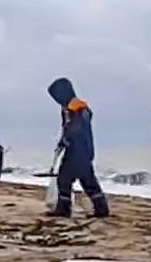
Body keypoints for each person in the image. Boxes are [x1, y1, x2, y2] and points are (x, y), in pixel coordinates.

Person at [46, 77, 109, 218]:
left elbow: (78, 127)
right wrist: (63, 141)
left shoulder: (78, 107)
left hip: (80, 149)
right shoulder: (67, 108)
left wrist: (69, 138)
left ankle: (64, 209)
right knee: (87, 180)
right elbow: (67, 127)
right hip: (76, 149)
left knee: (65, 178)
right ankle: (101, 209)